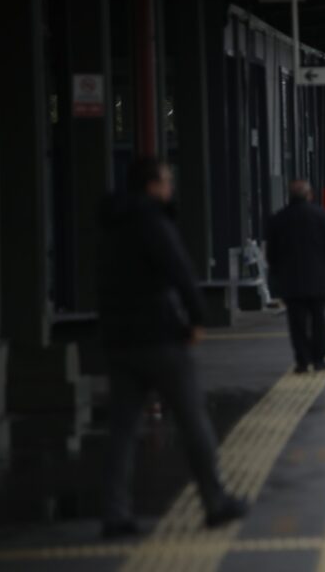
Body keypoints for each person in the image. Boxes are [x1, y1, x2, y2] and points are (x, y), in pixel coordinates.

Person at [97, 157, 246, 538]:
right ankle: (214, 502)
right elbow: (179, 269)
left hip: (119, 340)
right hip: (160, 336)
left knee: (121, 430)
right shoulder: (153, 221)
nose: (171, 187)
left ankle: (115, 514)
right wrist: (197, 317)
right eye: (166, 180)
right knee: (192, 420)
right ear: (151, 185)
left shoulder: (111, 224)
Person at [267, 179, 325, 373]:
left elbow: (271, 254)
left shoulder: (278, 218)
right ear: (309, 195)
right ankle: (319, 358)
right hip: (318, 278)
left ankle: (302, 360)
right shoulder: (321, 215)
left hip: (291, 281)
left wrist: (277, 275)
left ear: (289, 196)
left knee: (296, 321)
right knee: (318, 318)